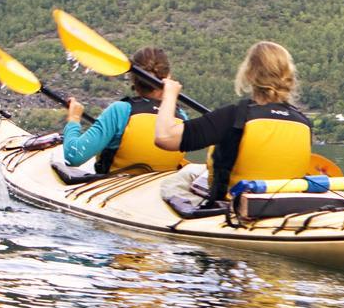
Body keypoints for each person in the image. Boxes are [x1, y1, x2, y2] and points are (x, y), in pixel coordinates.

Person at [151, 41, 316, 204]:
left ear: (249, 74)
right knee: (195, 170)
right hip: (285, 206)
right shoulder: (303, 122)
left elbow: (164, 137)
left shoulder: (233, 116)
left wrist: (170, 95)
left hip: (234, 206)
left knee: (176, 180)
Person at [60, 47, 188, 174]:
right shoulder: (181, 117)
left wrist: (74, 119)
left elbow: (74, 156)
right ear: (168, 78)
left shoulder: (120, 111)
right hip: (158, 191)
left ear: (133, 80)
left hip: (113, 189)